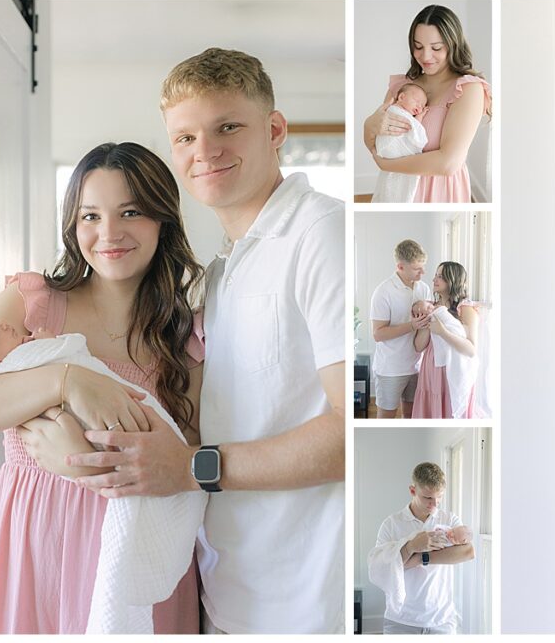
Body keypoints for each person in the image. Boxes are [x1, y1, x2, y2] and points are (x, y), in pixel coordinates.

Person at [51, 48, 346, 635]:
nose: (204, 152)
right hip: (224, 594)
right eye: (184, 138)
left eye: (226, 127)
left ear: (275, 130)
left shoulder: (321, 233)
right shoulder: (219, 274)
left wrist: (192, 467)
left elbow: (351, 432)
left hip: (305, 602)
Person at [0, 142, 205, 634]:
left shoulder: (185, 334)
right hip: (40, 546)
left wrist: (83, 466)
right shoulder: (33, 305)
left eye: (131, 212)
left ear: (163, 219)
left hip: (138, 550)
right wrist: (66, 381)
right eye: (89, 215)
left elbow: (190, 453)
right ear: (72, 226)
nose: (108, 233)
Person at [363, 4, 492, 203]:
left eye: (436, 48)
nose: (425, 56)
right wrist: (368, 126)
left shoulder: (468, 89)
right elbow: (380, 142)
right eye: (418, 46)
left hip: (440, 191)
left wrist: (385, 164)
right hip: (396, 187)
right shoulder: (402, 86)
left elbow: (448, 163)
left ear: (453, 44)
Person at [368, 462, 475, 634]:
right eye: (428, 498)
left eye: (439, 497)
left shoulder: (449, 520)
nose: (435, 504)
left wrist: (420, 557)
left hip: (442, 621)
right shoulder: (391, 524)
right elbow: (380, 567)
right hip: (401, 620)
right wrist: (411, 546)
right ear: (412, 490)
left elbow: (468, 552)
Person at [371, 239, 433, 418]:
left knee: (412, 417)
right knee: (386, 420)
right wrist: (411, 326)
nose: (423, 272)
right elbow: (378, 334)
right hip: (390, 369)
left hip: (416, 366)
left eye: (423, 267)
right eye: (417, 269)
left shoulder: (424, 288)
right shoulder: (383, 292)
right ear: (400, 267)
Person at [412, 261, 479, 419]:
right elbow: (418, 346)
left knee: (450, 409)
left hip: (454, 369)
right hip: (431, 368)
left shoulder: (466, 309)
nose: (434, 279)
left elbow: (471, 350)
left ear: (452, 280)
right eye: (435, 275)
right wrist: (426, 321)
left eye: (440, 276)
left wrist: (442, 332)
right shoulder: (430, 307)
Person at [373, 83, 430, 203]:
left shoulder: (407, 116)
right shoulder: (394, 111)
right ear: (402, 97)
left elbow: (413, 127)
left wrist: (420, 116)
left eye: (422, 105)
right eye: (417, 101)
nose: (419, 107)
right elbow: (418, 136)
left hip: (394, 157)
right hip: (390, 149)